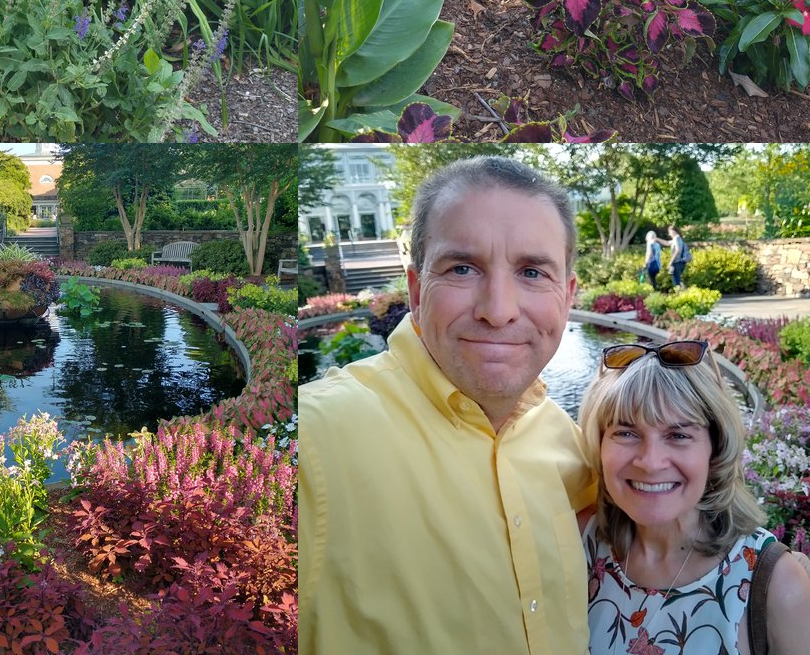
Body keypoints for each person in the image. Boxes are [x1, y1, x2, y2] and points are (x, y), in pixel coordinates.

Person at [298, 156, 597, 655]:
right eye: (462, 268)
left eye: (532, 272)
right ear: (417, 292)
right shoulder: (319, 438)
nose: (498, 311)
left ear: (566, 298)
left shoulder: (567, 442)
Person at [577, 340, 810, 655]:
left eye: (678, 435)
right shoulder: (580, 545)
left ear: (715, 448)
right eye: (626, 433)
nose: (650, 461)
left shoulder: (776, 584)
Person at [666, 225, 689, 290]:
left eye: (670, 232)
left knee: (676, 282)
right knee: (679, 280)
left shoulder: (676, 238)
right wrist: (656, 239)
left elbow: (677, 250)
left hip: (676, 262)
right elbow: (667, 243)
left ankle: (681, 296)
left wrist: (670, 262)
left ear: (674, 231)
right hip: (681, 262)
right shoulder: (679, 239)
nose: (669, 234)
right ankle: (684, 293)